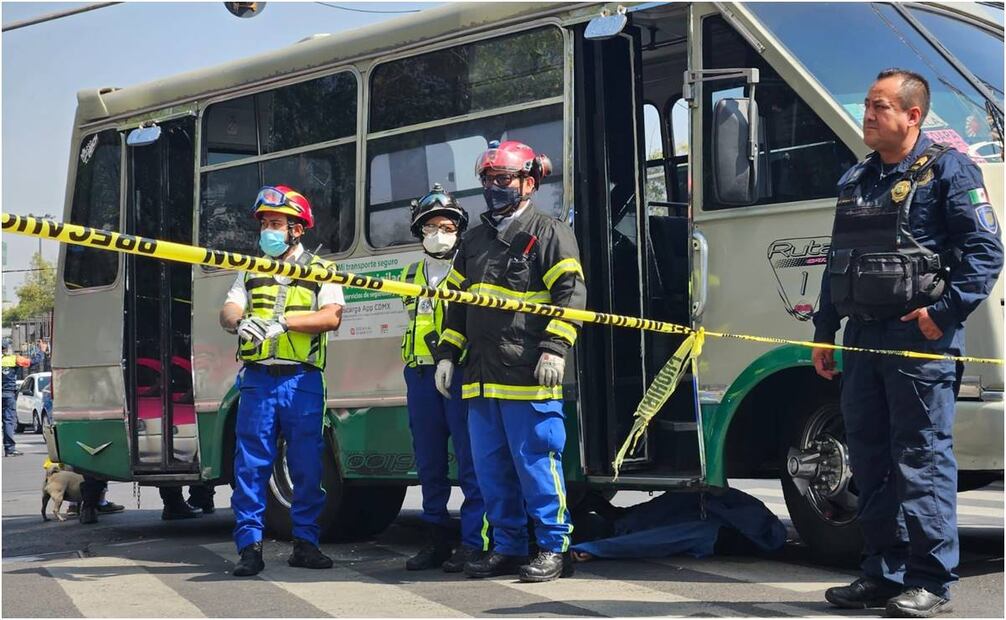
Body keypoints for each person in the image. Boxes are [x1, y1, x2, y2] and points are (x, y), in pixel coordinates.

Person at [812, 69, 1003, 618]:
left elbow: (985, 251)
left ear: (913, 115)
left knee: (920, 458)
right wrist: (825, 331)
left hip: (917, 339)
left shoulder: (948, 170)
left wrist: (944, 314)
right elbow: (838, 261)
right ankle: (882, 572)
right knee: (869, 458)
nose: (868, 115)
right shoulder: (858, 177)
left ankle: (930, 581)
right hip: (862, 337)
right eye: (867, 106)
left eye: (880, 106)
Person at [434, 140, 587, 583]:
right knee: (491, 471)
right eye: (488, 180)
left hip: (528, 375)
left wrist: (555, 347)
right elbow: (457, 306)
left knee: (537, 464)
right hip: (481, 378)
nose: (494, 187)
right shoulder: (474, 241)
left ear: (529, 183)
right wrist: (447, 354)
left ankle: (554, 548)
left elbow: (571, 295)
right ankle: (507, 546)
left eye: (503, 179)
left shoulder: (549, 232)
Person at [219, 185, 344, 577]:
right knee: (250, 466)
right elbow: (227, 310)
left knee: (307, 465)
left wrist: (285, 323)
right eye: (265, 224)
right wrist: (240, 322)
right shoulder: (250, 268)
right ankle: (249, 548)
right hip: (258, 380)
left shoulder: (321, 269)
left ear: (297, 229)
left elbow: (332, 317)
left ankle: (305, 544)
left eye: (276, 223)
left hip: (301, 380)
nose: (268, 231)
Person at [399, 184, 488, 572]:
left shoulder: (467, 271)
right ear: (419, 231)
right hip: (420, 376)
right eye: (431, 227)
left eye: (447, 227)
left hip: (459, 373)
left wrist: (450, 359)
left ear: (459, 230)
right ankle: (435, 541)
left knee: (471, 462)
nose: (439, 233)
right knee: (429, 464)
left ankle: (473, 543)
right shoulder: (408, 274)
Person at [2, 342, 30, 457]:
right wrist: (41, 352)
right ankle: (9, 449)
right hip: (8, 394)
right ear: (6, 349)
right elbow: (30, 362)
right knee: (8, 421)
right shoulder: (14, 359)